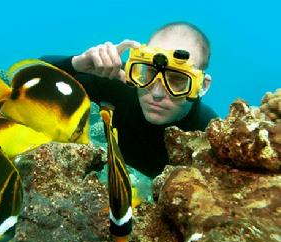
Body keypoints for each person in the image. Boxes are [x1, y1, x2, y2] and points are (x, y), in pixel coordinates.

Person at [40, 22, 218, 178]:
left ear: (202, 86)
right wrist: (75, 64)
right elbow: (30, 79)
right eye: (149, 73)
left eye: (177, 80)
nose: (157, 93)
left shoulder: (209, 134)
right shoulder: (119, 80)